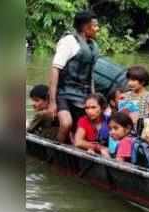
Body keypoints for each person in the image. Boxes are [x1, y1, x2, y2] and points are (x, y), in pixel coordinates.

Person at [48, 10, 100, 143]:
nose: (97, 29)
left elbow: (91, 75)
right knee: (66, 124)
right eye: (94, 26)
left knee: (87, 132)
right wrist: (52, 102)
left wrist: (93, 98)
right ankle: (57, 152)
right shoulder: (68, 41)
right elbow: (55, 69)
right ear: (85, 27)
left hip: (83, 96)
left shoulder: (92, 46)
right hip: (64, 94)